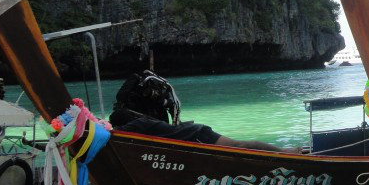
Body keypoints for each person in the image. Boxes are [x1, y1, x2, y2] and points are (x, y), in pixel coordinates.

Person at [109, 70, 300, 153]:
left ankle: (285, 151)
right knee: (239, 145)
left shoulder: (139, 125)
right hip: (195, 133)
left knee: (239, 145)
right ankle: (283, 151)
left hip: (199, 135)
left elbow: (111, 134)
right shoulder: (142, 124)